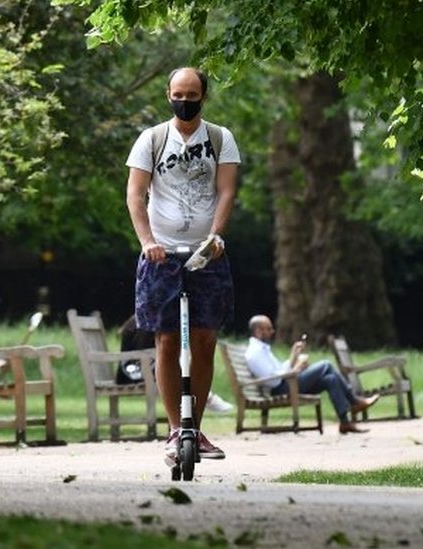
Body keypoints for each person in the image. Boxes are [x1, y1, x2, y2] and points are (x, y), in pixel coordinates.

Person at [125, 67, 240, 465]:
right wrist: (148, 242)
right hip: (161, 256)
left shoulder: (221, 139)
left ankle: (196, 428)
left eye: (192, 94)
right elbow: (135, 196)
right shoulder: (151, 139)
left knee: (205, 340)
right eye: (178, 94)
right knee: (168, 342)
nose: (185, 101)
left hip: (206, 255)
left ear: (203, 96)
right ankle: (176, 429)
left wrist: (217, 235)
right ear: (167, 94)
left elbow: (226, 191)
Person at [244, 315, 379, 434]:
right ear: (258, 331)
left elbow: (278, 370)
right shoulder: (254, 353)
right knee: (326, 365)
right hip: (283, 388)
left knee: (330, 379)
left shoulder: (262, 349)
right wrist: (296, 369)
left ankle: (345, 422)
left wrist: (294, 356)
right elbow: (273, 381)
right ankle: (354, 402)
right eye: (269, 329)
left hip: (287, 382)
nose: (272, 332)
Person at [118, 315, 234, 413]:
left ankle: (206, 398)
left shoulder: (140, 322)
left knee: (178, 361)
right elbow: (140, 356)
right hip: (134, 375)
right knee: (175, 362)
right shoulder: (144, 325)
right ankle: (207, 398)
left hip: (137, 371)